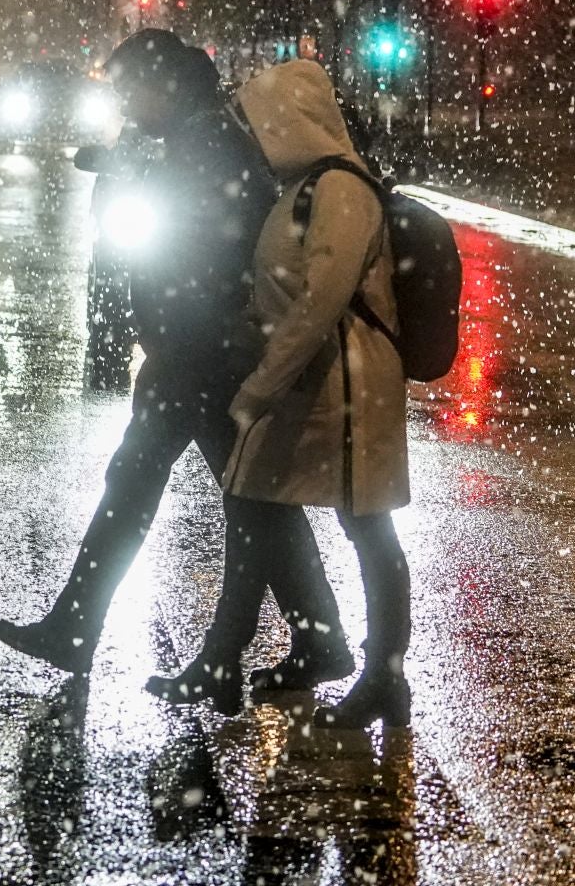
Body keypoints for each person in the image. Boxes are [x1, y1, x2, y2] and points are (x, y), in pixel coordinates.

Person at [0, 30, 349, 692]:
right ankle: (316, 633)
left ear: (168, 86)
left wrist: (175, 327)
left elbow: (203, 250)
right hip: (202, 347)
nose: (127, 106)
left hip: (200, 351)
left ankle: (84, 626)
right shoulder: (198, 142)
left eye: (132, 91)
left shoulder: (207, 147)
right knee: (247, 499)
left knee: (154, 484)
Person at [146, 60, 413, 729]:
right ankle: (224, 660)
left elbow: (322, 301)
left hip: (345, 386)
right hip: (305, 381)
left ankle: (384, 674)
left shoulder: (341, 191)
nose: (257, 133)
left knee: (366, 524)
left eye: (266, 121)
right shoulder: (300, 187)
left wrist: (262, 383)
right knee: (251, 505)